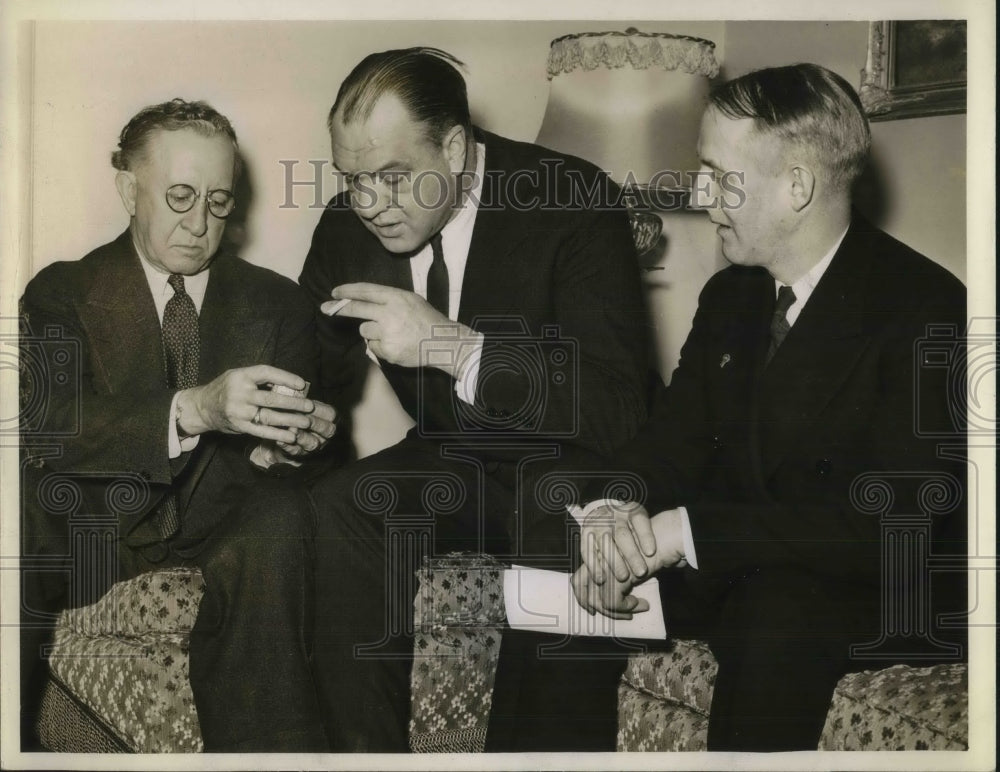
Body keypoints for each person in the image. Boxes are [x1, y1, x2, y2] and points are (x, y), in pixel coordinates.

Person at [493, 63, 968, 751]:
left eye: (718, 172)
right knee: (559, 571)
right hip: (745, 559)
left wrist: (683, 534)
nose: (699, 191)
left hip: (875, 582)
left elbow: (889, 526)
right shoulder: (733, 296)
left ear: (796, 186)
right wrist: (614, 513)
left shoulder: (926, 309)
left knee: (775, 612)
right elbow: (672, 440)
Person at [298, 47, 649, 751]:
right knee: (338, 507)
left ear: (455, 148)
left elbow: (617, 407)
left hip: (576, 464)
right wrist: (276, 414)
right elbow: (307, 368)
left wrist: (455, 348)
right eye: (353, 179)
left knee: (557, 513)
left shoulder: (574, 200)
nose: (369, 205)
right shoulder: (347, 226)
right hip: (454, 464)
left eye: (393, 177)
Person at [19, 98, 337, 751]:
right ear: (128, 190)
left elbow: (299, 463)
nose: (198, 223)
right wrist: (196, 408)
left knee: (284, 520)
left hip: (226, 529)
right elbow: (49, 426)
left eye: (218, 202)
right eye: (180, 196)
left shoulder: (278, 303)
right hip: (93, 534)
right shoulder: (62, 292)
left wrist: (301, 448)